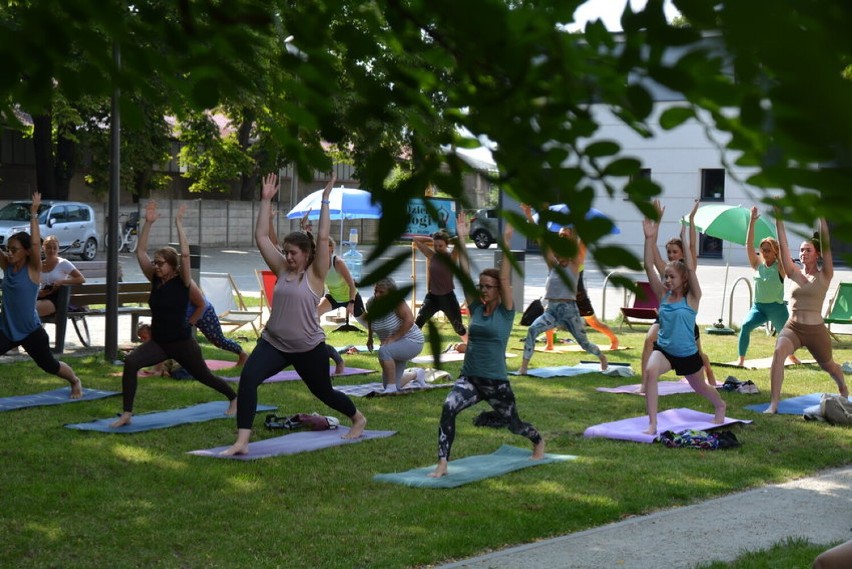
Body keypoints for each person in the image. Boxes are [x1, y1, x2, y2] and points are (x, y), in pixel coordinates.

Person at [221, 173, 367, 455]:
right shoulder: (282, 270)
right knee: (249, 379)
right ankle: (242, 441)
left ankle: (358, 418)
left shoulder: (316, 274)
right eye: (285, 252)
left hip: (307, 347)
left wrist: (325, 199)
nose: (287, 257)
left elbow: (323, 236)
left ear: (306, 254)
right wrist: (265, 200)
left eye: (292, 253)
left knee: (324, 393)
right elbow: (261, 236)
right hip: (273, 343)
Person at [429, 221, 544, 478]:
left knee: (515, 426)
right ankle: (442, 463)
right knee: (448, 407)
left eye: (488, 287)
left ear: (499, 290)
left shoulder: (506, 312)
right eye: (481, 286)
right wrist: (460, 237)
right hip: (470, 377)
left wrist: (504, 241)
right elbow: (463, 272)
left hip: (496, 382)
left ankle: (537, 441)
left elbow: (504, 277)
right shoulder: (476, 309)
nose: (482, 290)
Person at [111, 202, 237, 428]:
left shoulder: (183, 282)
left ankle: (234, 398)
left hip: (181, 343)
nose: (156, 266)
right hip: (159, 342)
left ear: (172, 266)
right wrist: (147, 224)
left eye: (160, 263)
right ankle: (127, 413)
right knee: (131, 362)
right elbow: (140, 252)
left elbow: (186, 255)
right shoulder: (156, 280)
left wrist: (179, 224)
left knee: (204, 376)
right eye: (155, 263)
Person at [642, 209, 726, 434]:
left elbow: (689, 265)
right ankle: (652, 423)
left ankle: (720, 405)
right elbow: (649, 266)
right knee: (651, 371)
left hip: (688, 354)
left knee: (700, 388)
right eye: (666, 277)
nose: (667, 280)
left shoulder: (693, 298)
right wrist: (651, 237)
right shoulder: (663, 295)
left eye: (671, 277)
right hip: (666, 351)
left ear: (684, 279)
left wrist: (688, 228)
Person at [0, 193, 83, 398]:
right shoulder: (7, 266)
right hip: (6, 329)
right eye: (8, 249)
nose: (9, 253)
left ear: (26, 252)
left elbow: (37, 244)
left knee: (49, 365)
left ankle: (75, 381)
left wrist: (34, 214)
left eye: (14, 250)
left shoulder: (34, 269)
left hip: (30, 331)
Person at [765, 214, 847, 414]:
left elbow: (827, 246)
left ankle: (843, 388)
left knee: (830, 367)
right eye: (801, 250)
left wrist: (822, 219)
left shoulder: (824, 275)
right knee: (778, 353)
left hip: (816, 331)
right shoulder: (793, 273)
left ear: (817, 254)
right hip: (793, 327)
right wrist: (779, 220)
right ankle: (774, 404)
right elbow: (783, 247)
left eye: (808, 250)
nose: (803, 253)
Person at [517, 205, 608, 375]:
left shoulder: (575, 265)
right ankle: (523, 367)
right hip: (551, 311)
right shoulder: (553, 265)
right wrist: (530, 216)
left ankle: (601, 357)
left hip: (570, 312)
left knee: (584, 343)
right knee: (532, 330)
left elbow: (583, 242)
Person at [640, 200, 716, 392]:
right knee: (649, 340)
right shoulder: (666, 270)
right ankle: (645, 383)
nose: (672, 255)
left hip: (685, 316)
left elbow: (692, 246)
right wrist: (652, 233)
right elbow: (651, 257)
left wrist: (690, 221)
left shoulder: (687, 270)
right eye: (669, 252)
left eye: (675, 251)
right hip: (666, 315)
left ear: (682, 253)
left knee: (698, 354)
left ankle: (710, 375)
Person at [736, 206, 799, 367]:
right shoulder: (757, 264)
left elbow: (783, 245)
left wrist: (778, 217)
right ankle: (741, 359)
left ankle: (791, 356)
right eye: (762, 250)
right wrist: (752, 221)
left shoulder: (780, 267)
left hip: (776, 308)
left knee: (786, 336)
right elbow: (748, 244)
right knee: (745, 326)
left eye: (768, 250)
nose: (764, 253)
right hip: (758, 308)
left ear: (775, 252)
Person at [364, 277, 425, 392]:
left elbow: (409, 321)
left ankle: (391, 389)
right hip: (395, 345)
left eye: (381, 292)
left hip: (412, 341)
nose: (377, 295)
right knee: (387, 384)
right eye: (375, 291)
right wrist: (370, 338)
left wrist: (393, 338)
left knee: (384, 350)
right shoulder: (371, 302)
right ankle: (416, 374)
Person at [413, 229, 468, 348]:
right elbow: (416, 240)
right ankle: (409, 348)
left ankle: (471, 347)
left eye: (441, 245)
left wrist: (450, 238)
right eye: (435, 245)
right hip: (432, 298)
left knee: (459, 327)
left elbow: (459, 241)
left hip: (448, 297)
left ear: (447, 245)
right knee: (417, 324)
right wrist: (431, 239)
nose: (438, 248)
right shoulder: (432, 256)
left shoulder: (452, 257)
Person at [36, 235, 86, 317]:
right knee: (25, 309)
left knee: (32, 311)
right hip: (43, 296)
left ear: (58, 249)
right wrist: (39, 292)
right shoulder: (40, 265)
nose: (52, 251)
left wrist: (62, 282)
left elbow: (81, 279)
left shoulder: (63, 263)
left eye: (54, 248)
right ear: (43, 248)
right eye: (48, 248)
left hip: (58, 297)